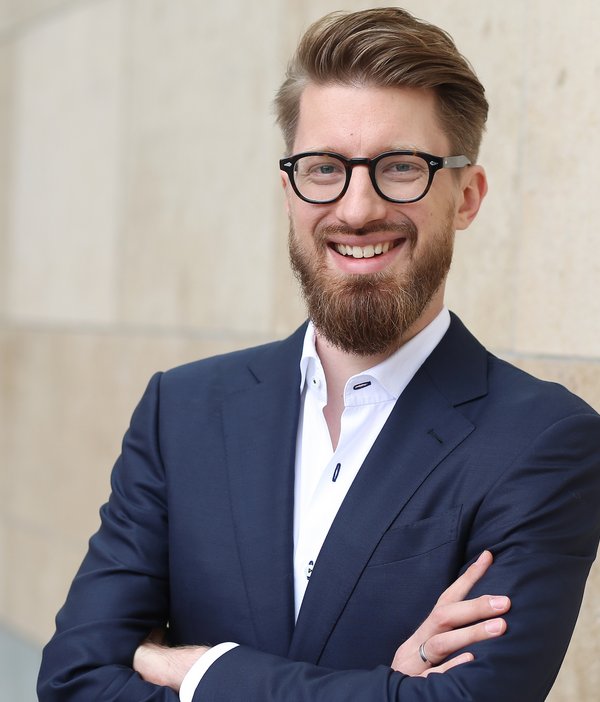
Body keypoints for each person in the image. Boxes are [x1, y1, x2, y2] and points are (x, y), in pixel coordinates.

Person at [38, 7, 600, 702]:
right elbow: (73, 681)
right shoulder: (180, 413)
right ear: (289, 192)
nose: (356, 209)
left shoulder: (541, 442)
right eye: (325, 168)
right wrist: (383, 689)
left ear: (467, 197)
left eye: (402, 167)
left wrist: (202, 671)